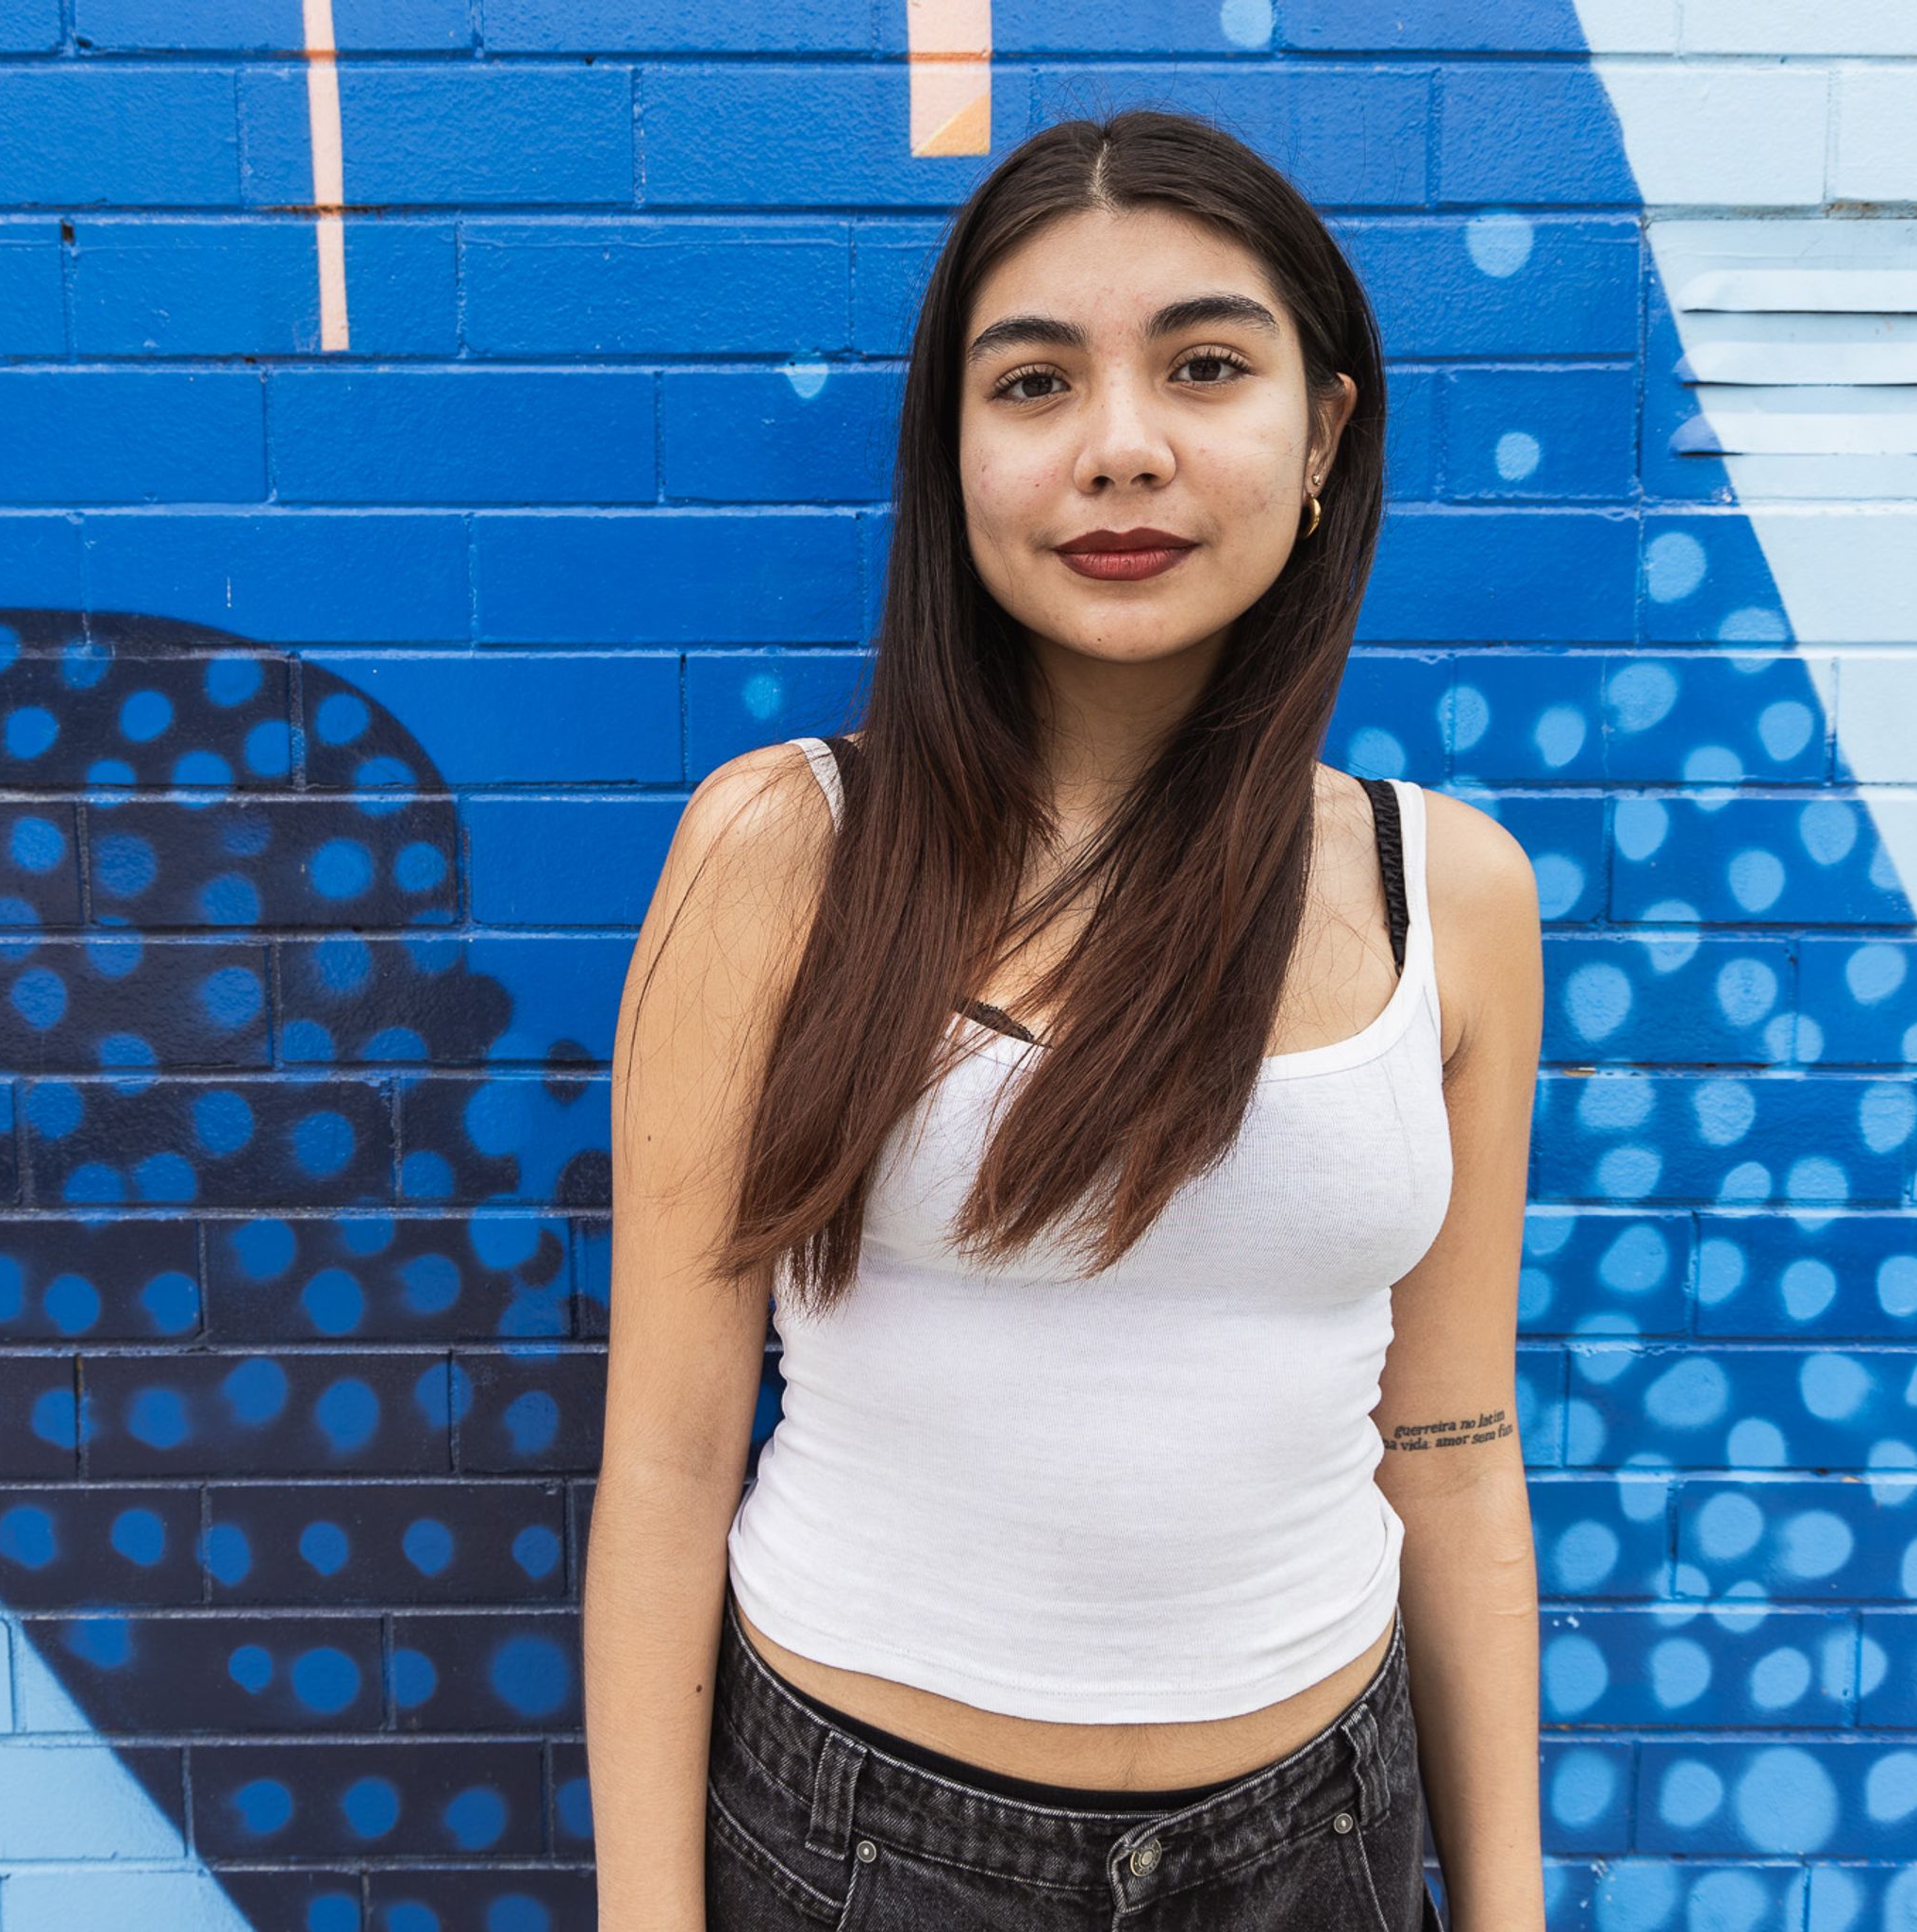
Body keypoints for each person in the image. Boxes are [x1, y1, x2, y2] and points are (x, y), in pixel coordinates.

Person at [586, 108, 1545, 1930]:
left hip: (1323, 1839)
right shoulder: (783, 854)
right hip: (863, 1847)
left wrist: (1506, 1908)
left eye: (1204, 367)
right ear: (951, 450)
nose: (1122, 450)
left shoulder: (1459, 896)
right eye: (1033, 385)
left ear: (1327, 428)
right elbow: (667, 1461)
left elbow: (1455, 1442)